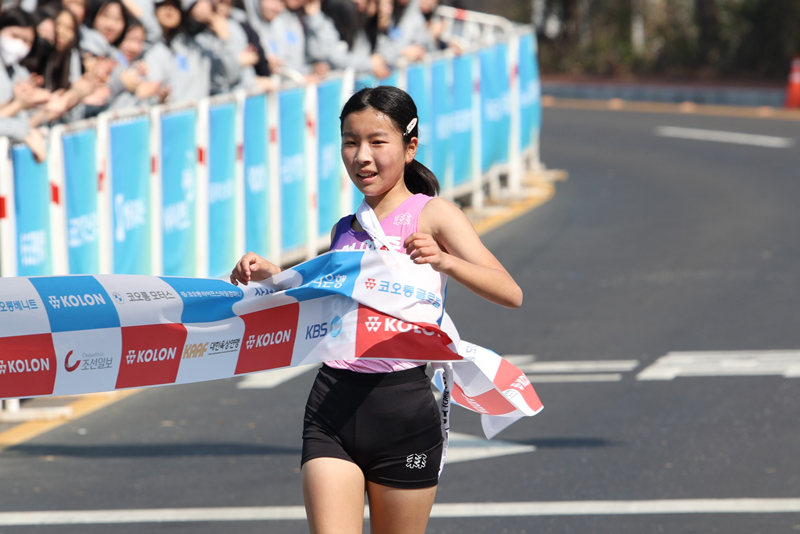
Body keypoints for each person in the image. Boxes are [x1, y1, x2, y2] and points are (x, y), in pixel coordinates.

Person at [230, 85, 522, 534]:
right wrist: (273, 274)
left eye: (376, 142)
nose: (362, 156)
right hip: (332, 404)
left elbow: (509, 291)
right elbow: (322, 301)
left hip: (403, 409)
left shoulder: (434, 215)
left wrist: (446, 260)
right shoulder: (344, 230)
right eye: (350, 142)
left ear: (410, 147)